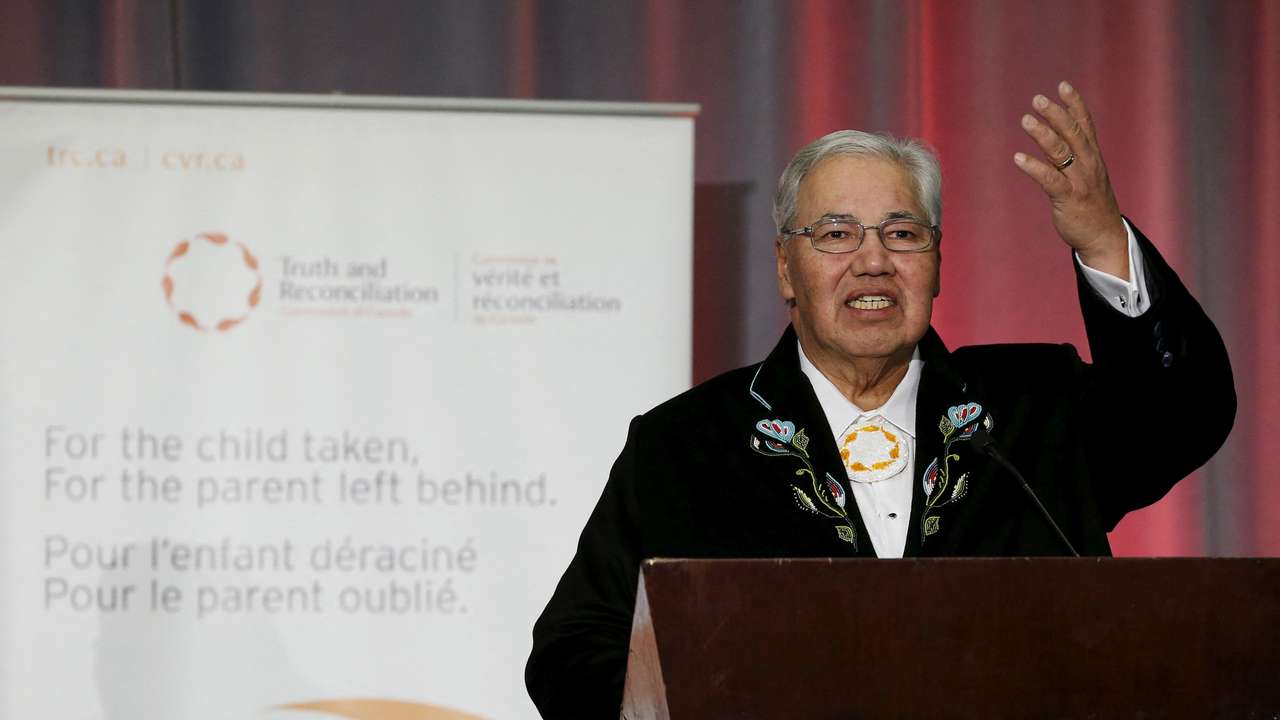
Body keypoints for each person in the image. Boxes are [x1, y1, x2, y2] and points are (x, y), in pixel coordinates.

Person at [524, 82, 1235, 718]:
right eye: (836, 234)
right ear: (785, 267)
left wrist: (1104, 240)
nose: (872, 260)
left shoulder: (1031, 412)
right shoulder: (686, 446)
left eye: (902, 234)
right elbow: (571, 650)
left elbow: (1184, 414)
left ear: (936, 263)